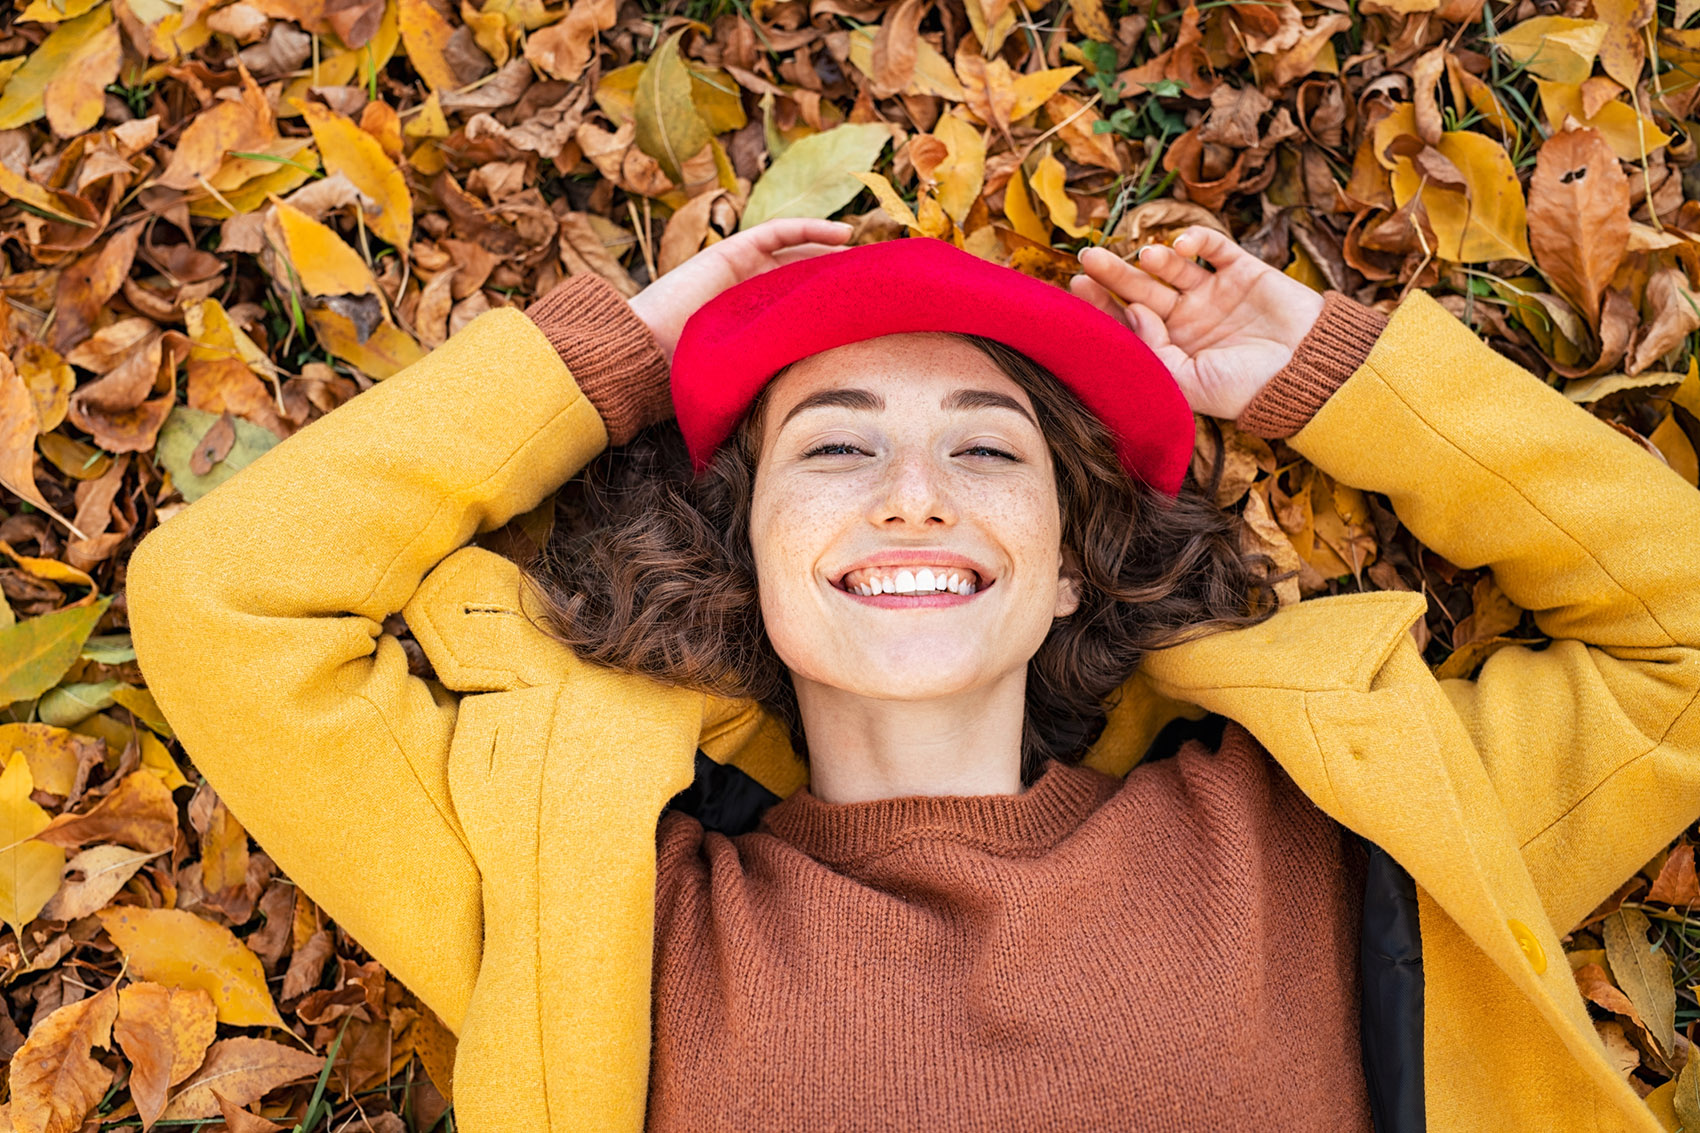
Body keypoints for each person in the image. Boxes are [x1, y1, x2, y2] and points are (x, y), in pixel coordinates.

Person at [125, 218, 1700, 1133]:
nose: (913, 492)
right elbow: (223, 603)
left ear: (1072, 560)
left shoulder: (1325, 831)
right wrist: (628, 348)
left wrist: (1331, 377)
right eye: (837, 445)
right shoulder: (601, 898)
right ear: (744, 550)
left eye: (984, 448)